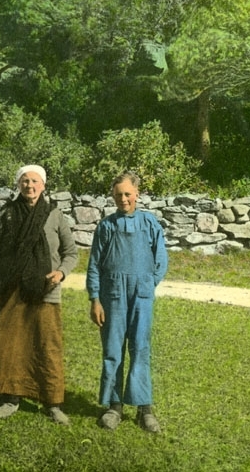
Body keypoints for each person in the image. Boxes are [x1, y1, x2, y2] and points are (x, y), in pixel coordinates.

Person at [0, 165, 78, 424]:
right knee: (12, 347)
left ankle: (52, 402)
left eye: (35, 181)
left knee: (47, 347)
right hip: (11, 290)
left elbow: (71, 253)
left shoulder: (54, 215)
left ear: (43, 185)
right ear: (18, 184)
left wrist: (60, 273)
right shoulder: (7, 214)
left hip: (45, 292)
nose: (30, 186)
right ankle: (10, 398)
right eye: (25, 181)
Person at [87, 171, 168, 433]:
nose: (123, 199)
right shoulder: (106, 226)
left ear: (137, 194)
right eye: (118, 195)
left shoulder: (149, 223)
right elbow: (94, 265)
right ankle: (114, 406)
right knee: (112, 350)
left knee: (140, 348)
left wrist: (148, 283)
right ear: (113, 196)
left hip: (141, 295)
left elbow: (161, 260)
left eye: (127, 194)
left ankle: (145, 408)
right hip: (112, 296)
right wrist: (95, 299)